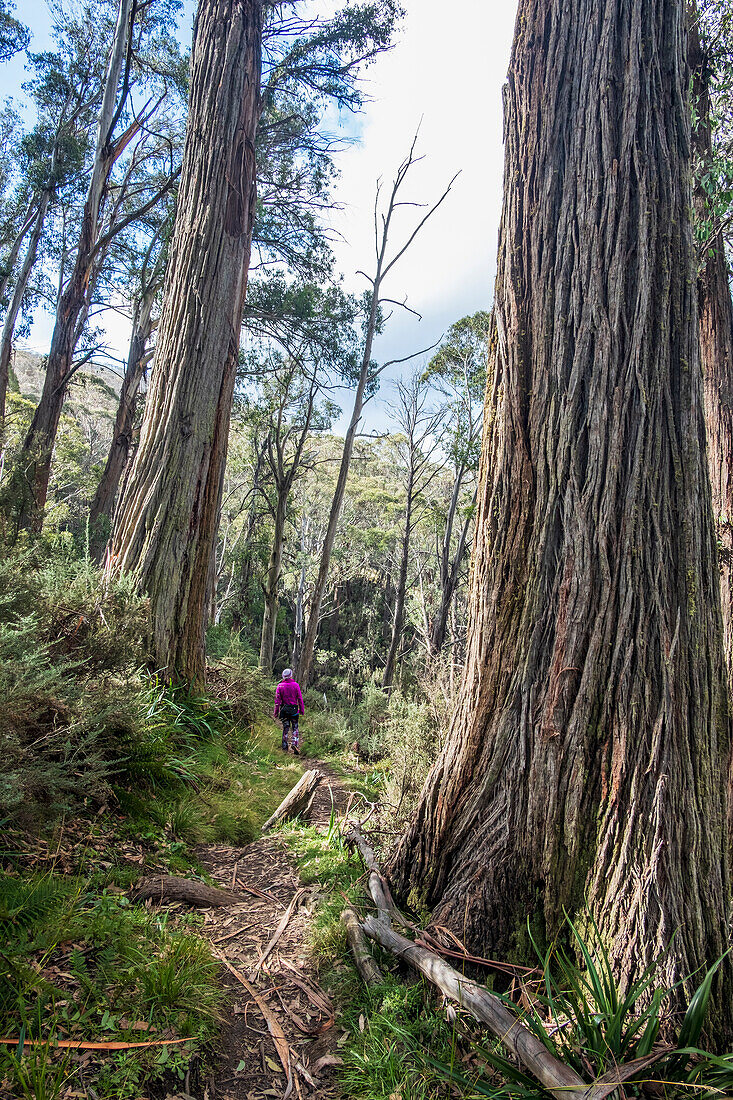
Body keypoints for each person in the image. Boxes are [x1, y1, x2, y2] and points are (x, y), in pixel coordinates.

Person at [274, 668, 305, 754]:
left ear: (283, 676)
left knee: (285, 728)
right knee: (295, 727)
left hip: (284, 710)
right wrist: (301, 710)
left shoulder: (280, 686)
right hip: (294, 710)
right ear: (291, 675)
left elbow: (277, 701)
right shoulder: (296, 685)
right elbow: (300, 698)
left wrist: (276, 712)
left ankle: (284, 747)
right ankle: (295, 743)